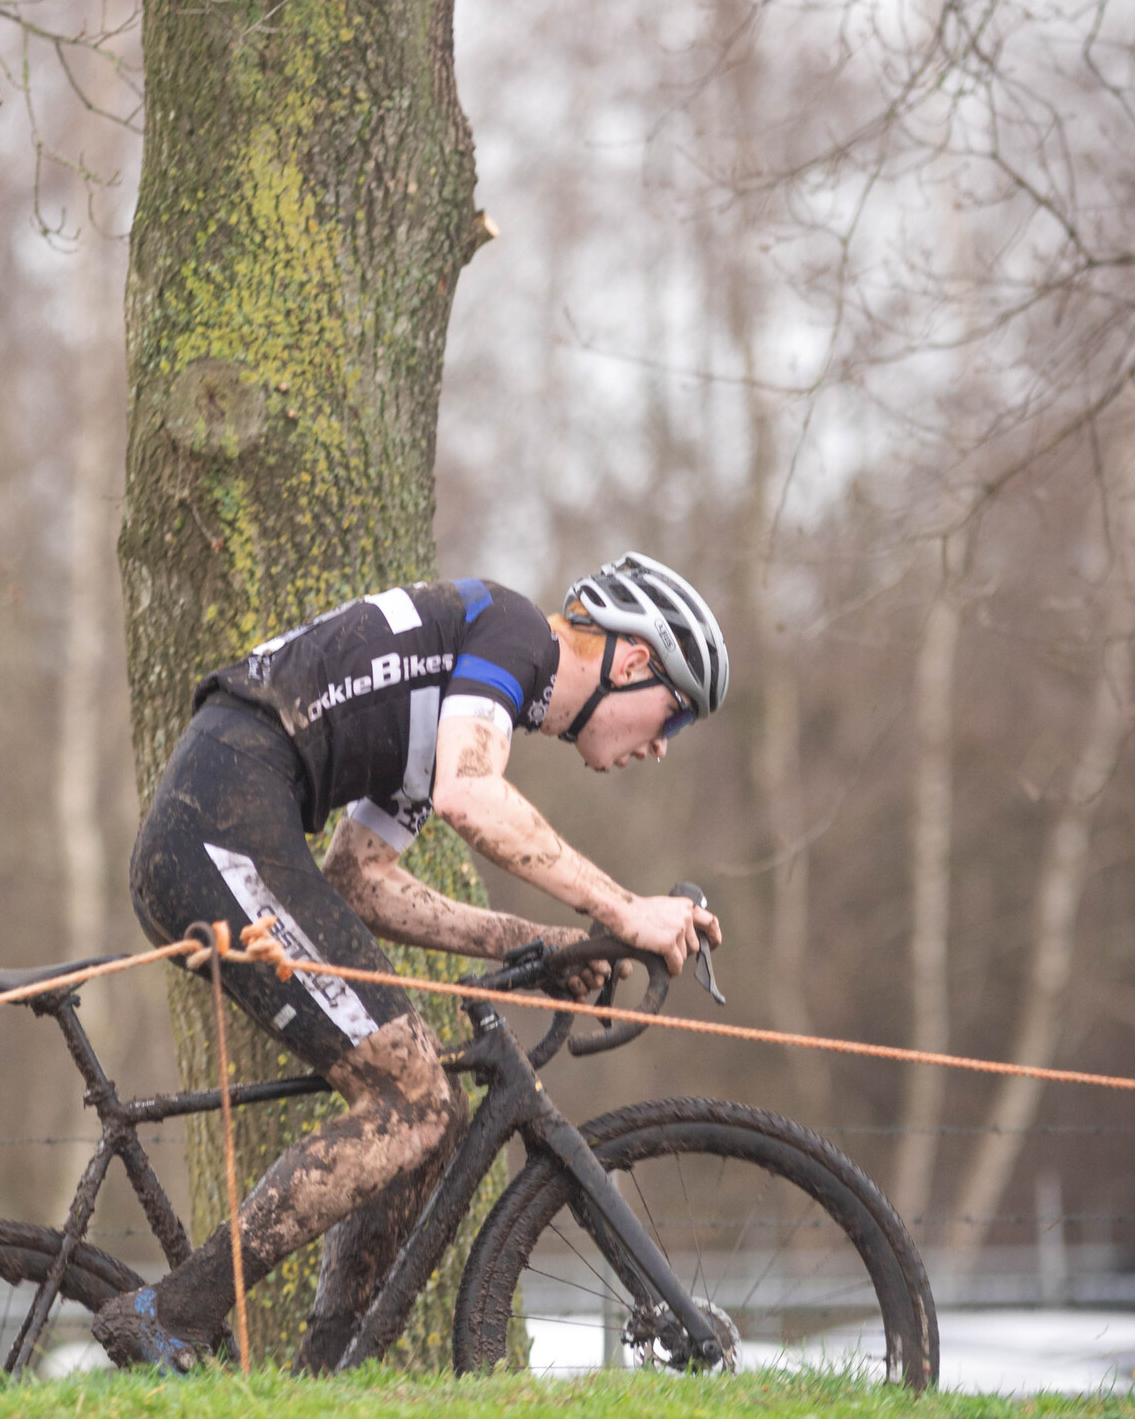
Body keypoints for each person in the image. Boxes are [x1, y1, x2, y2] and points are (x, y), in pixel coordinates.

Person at [92, 554, 729, 1375]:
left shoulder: (462, 693)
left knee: (432, 1121)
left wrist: (528, 943)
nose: (664, 748)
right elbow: (472, 794)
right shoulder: (515, 635)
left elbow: (360, 883)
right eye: (674, 718)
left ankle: (323, 1376)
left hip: (226, 827)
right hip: (221, 830)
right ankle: (173, 1312)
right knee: (413, 1098)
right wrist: (623, 909)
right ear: (634, 662)